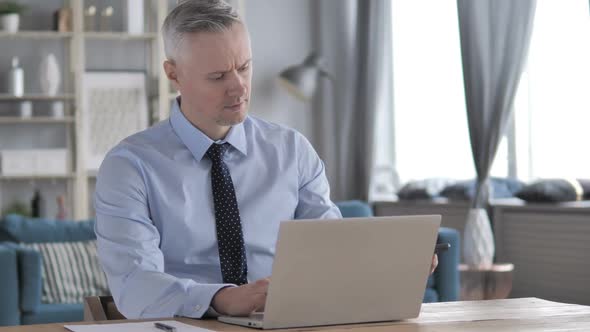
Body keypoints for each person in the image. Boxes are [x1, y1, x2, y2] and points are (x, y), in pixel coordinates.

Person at [94, 0, 437, 320]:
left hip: (288, 322)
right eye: (218, 77)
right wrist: (221, 298)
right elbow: (135, 284)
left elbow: (333, 251)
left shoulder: (292, 151)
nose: (239, 88)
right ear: (173, 74)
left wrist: (390, 268)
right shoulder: (129, 167)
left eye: (244, 67)